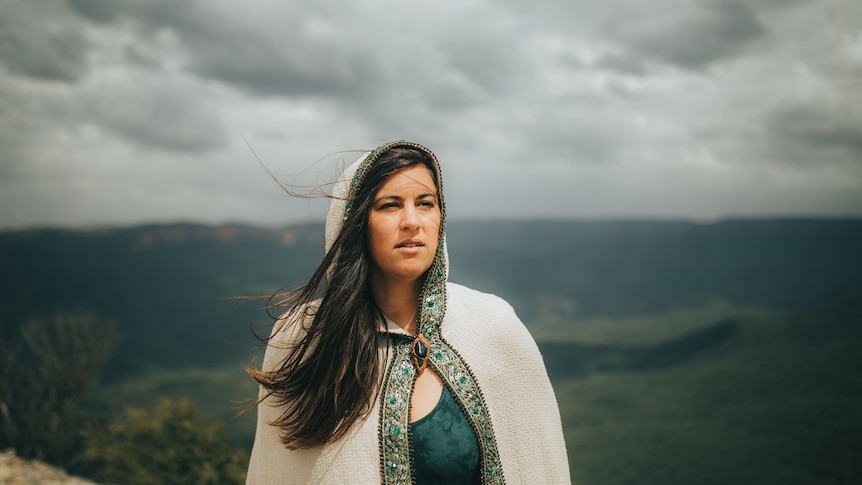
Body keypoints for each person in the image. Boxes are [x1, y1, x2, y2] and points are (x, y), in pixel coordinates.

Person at [246, 140, 570, 484]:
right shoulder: (305, 335)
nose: (412, 221)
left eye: (425, 203)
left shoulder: (494, 325)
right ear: (356, 223)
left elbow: (540, 465)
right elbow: (277, 470)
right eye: (390, 205)